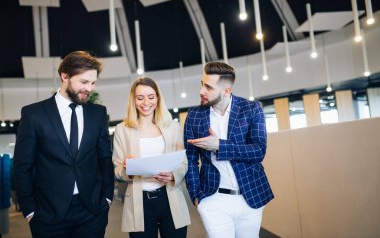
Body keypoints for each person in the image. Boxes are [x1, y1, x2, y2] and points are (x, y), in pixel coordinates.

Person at [13, 51, 114, 238]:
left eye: (93, 83)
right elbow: (22, 166)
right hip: (47, 214)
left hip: (92, 211)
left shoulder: (98, 113)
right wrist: (29, 210)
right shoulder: (34, 114)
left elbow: (105, 158)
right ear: (64, 76)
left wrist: (107, 198)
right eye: (84, 82)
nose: (90, 89)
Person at [184, 62, 274, 238]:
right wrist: (196, 196)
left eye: (208, 87)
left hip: (251, 195)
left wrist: (219, 146)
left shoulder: (251, 109)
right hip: (213, 198)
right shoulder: (194, 115)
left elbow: (258, 151)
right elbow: (190, 159)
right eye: (202, 84)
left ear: (226, 91)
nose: (201, 91)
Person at [112, 77, 190, 238]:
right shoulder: (122, 129)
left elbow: (182, 162)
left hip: (170, 198)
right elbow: (118, 169)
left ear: (158, 98)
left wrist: (173, 175)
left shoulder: (172, 126)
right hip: (139, 202)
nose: (146, 102)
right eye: (140, 98)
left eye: (151, 97)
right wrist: (129, 170)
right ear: (133, 100)